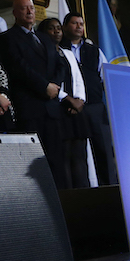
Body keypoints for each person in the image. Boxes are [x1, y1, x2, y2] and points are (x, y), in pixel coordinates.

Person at [0, 0, 69, 186]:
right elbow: (18, 67)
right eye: (24, 9)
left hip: (52, 107)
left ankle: (64, 204)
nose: (30, 12)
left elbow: (61, 64)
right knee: (34, 164)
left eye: (31, 8)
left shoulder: (45, 37)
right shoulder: (7, 38)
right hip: (30, 107)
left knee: (57, 161)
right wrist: (44, 86)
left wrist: (54, 85)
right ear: (15, 13)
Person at [61, 12, 114, 185]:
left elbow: (106, 77)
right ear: (65, 26)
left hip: (95, 107)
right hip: (71, 109)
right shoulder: (59, 49)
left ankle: (110, 189)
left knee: (103, 151)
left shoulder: (94, 50)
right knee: (77, 155)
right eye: (74, 23)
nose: (78, 26)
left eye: (81, 24)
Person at [42, 17, 89, 189]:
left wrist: (80, 101)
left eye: (58, 28)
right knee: (65, 159)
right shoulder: (44, 54)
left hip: (76, 111)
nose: (56, 32)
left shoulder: (67, 53)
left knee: (80, 158)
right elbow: (50, 83)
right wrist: (67, 99)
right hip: (60, 109)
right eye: (51, 28)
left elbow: (78, 79)